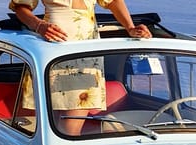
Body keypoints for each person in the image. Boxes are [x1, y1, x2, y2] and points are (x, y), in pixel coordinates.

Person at [10, 0, 151, 135]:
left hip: (87, 55)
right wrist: (39, 26)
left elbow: (113, 1)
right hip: (54, 50)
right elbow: (20, 7)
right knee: (52, 127)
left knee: (69, 130)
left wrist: (130, 28)